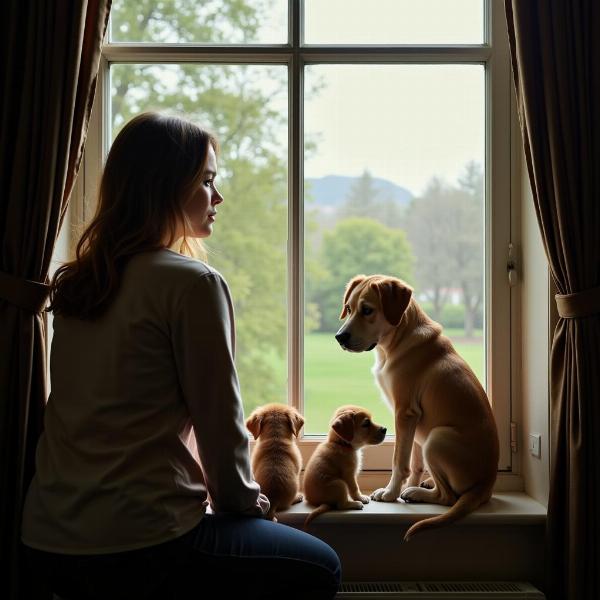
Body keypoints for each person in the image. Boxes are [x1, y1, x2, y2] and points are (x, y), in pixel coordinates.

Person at [21, 112, 341, 599]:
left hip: (48, 537)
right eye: (207, 181)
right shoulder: (192, 283)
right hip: (143, 541)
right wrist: (244, 500)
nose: (218, 198)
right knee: (321, 567)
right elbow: (219, 422)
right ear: (166, 186)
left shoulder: (79, 282)